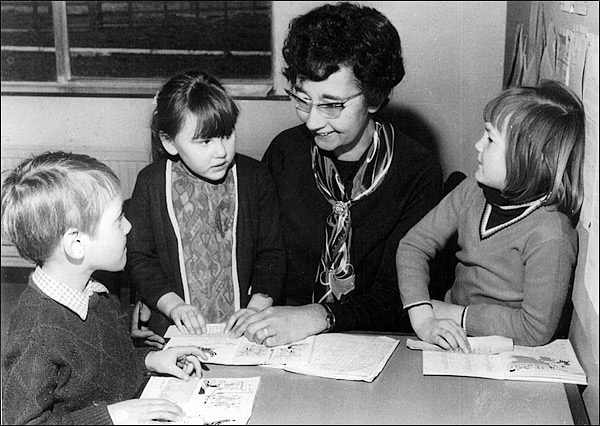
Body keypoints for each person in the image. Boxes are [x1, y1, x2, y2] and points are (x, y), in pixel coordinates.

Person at [229, 2, 443, 346]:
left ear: (374, 98)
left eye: (331, 105)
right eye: (301, 99)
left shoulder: (416, 171)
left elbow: (401, 296)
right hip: (282, 337)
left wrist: (319, 316)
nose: (311, 121)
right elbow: (254, 252)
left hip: (375, 340)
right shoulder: (285, 152)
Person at [1, 151, 207, 425]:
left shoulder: (97, 295)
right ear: (76, 244)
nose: (129, 225)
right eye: (118, 218)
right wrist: (111, 416)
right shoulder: (35, 333)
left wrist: (150, 361)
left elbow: (105, 369)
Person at [397, 80, 584, 351]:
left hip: (508, 351)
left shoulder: (551, 234)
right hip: (451, 338)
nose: (477, 144)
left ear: (526, 157)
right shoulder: (471, 190)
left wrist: (457, 315)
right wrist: (423, 316)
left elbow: (534, 331)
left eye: (490, 138)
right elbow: (413, 245)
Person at [126, 70, 286, 337]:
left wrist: (256, 309)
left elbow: (272, 254)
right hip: (173, 330)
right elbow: (141, 259)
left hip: (248, 329)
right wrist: (173, 305)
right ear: (169, 142)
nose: (221, 152)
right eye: (205, 141)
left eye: (226, 135)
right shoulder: (151, 183)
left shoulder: (255, 177)